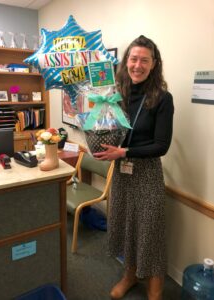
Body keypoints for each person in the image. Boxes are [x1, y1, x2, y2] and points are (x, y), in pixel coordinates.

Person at [93, 35, 174, 300]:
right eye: (133, 58)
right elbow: (110, 130)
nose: (137, 65)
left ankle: (155, 287)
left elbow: (161, 146)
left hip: (147, 173)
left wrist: (124, 151)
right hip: (122, 172)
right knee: (126, 227)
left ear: (154, 64)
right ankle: (129, 275)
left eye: (144, 60)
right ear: (126, 61)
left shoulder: (162, 98)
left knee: (150, 231)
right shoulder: (118, 95)